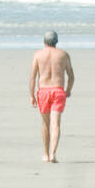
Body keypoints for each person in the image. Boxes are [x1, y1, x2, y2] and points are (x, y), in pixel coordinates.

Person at [29, 30, 75, 163]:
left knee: (45, 123)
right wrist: (68, 90)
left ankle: (45, 154)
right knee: (56, 123)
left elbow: (32, 77)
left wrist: (32, 95)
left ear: (44, 41)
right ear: (57, 41)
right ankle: (53, 153)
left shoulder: (38, 55)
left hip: (43, 91)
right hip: (58, 90)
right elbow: (71, 76)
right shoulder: (63, 54)